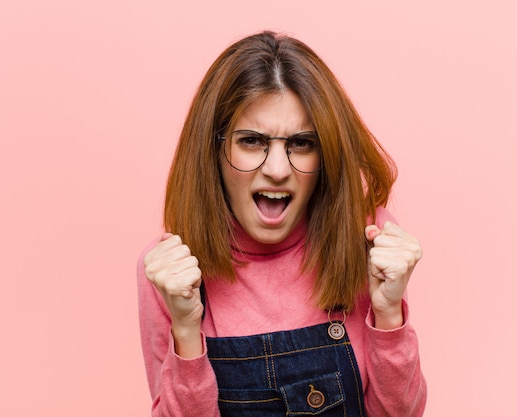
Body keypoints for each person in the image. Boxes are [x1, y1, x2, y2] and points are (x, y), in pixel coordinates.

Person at [137, 31, 426, 417]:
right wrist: (186, 332)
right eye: (252, 140)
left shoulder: (368, 243)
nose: (276, 170)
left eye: (302, 143)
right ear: (214, 150)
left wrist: (389, 316)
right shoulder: (171, 272)